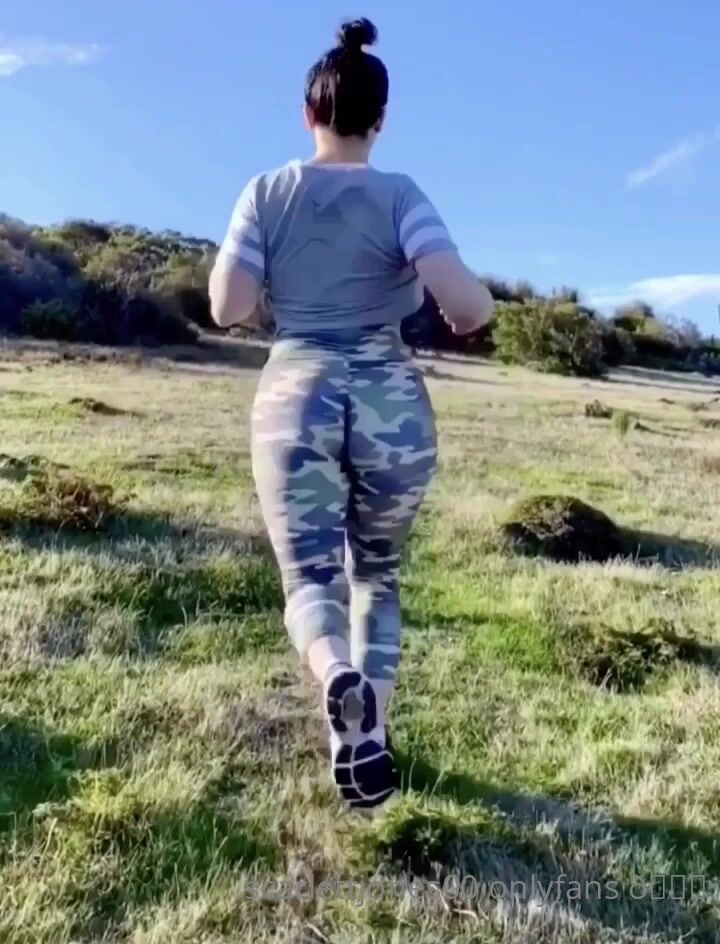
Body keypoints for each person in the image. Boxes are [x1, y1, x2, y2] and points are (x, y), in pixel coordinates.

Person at [209, 18, 493, 810]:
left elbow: (228, 306)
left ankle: (335, 672)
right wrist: (456, 298)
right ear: (381, 120)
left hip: (294, 394)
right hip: (389, 401)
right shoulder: (401, 195)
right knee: (378, 573)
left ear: (308, 113)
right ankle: (367, 737)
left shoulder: (266, 192)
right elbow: (468, 308)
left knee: (310, 575)